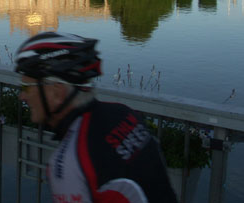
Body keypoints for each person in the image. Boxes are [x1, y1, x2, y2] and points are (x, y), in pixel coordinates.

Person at [16, 32, 178, 203]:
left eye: (26, 87)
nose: (22, 96)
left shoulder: (68, 162)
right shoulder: (125, 115)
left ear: (56, 91)